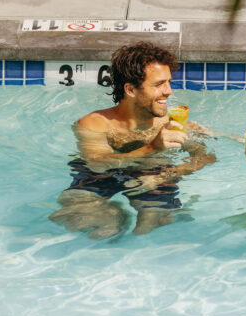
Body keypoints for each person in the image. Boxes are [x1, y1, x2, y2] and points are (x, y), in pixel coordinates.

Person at [50, 42, 216, 238]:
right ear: (130, 89)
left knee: (149, 228)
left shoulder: (173, 122)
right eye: (158, 84)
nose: (169, 90)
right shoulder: (95, 123)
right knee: (90, 221)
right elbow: (97, 162)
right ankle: (111, 228)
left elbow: (205, 156)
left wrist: (165, 176)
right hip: (101, 176)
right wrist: (152, 147)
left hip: (153, 173)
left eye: (168, 82)